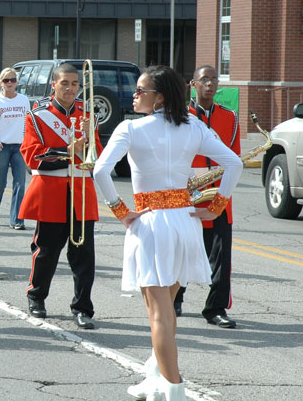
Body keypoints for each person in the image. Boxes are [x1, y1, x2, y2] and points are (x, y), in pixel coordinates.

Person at [93, 65, 242, 401]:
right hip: (185, 222)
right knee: (164, 307)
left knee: (159, 311)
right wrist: (217, 205)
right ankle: (155, 377)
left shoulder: (130, 128)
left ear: (158, 97)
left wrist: (120, 211)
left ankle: (174, 390)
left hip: (150, 223)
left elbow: (101, 170)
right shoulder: (194, 127)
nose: (134, 95)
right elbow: (233, 163)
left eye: (140, 90)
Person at [18, 63, 102, 330]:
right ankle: (36, 296)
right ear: (53, 84)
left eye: (75, 84)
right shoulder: (37, 115)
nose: (70, 88)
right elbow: (32, 155)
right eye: (65, 83)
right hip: (51, 193)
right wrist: (69, 149)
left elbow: (97, 157)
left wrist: (89, 139)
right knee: (46, 251)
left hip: (81, 192)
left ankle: (82, 307)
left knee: (84, 255)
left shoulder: (88, 114)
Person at [173, 65, 241, 328]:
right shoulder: (180, 116)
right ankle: (175, 299)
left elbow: (234, 157)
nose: (210, 84)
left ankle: (216, 308)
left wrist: (223, 190)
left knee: (222, 257)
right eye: (204, 80)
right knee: (183, 252)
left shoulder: (230, 117)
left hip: (220, 193)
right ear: (193, 84)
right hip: (187, 193)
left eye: (214, 80)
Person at [0, 67, 30, 229]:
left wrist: (28, 142)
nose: (9, 83)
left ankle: (17, 219)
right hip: (1, 146)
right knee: (0, 183)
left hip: (19, 146)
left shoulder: (23, 100)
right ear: (0, 83)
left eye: (12, 80)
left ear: (17, 82)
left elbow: (29, 123)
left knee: (20, 184)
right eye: (6, 80)